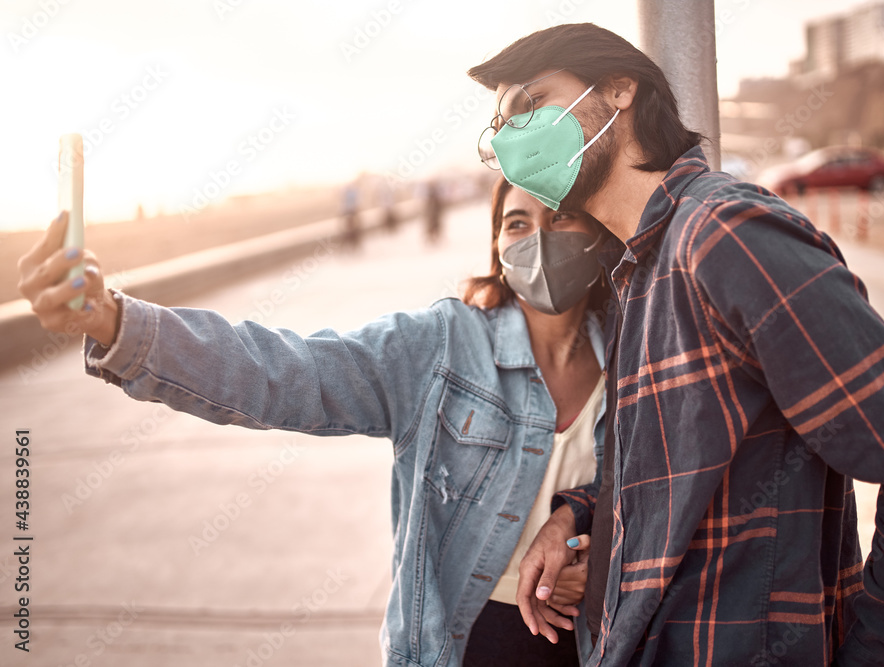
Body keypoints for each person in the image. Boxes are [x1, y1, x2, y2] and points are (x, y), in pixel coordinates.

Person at [467, 23, 884, 666]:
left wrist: (871, 651)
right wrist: (574, 514)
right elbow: (664, 466)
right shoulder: (636, 270)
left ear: (621, 90)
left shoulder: (721, 235)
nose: (518, 137)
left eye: (532, 103)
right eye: (504, 126)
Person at [17, 177, 612, 666]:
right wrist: (113, 322)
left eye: (561, 216)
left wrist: (590, 547)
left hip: (599, 646)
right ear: (497, 247)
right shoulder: (442, 347)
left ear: (598, 231)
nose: (538, 237)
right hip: (465, 647)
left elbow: (664, 496)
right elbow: (282, 371)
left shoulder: (634, 359)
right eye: (516, 222)